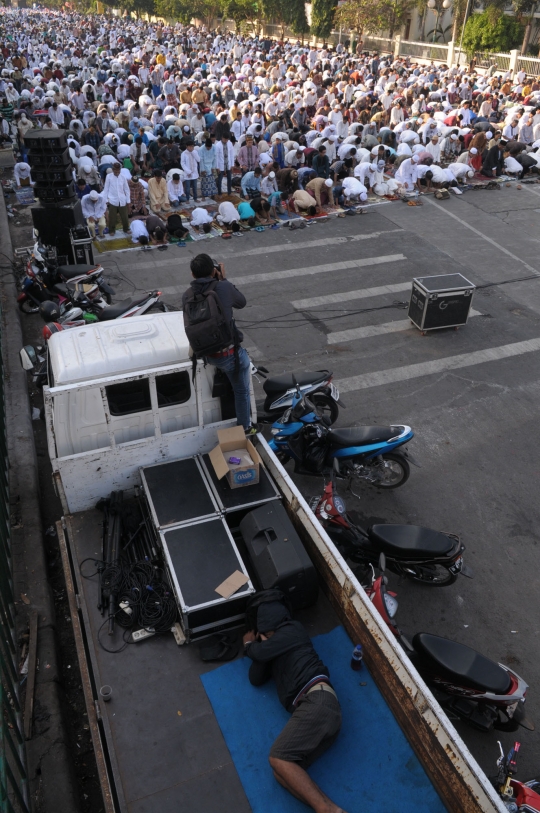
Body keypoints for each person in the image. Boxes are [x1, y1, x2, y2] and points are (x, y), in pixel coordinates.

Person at [244, 600, 344, 813]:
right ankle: (333, 809)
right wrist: (263, 644)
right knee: (281, 773)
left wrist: (250, 645)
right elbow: (255, 677)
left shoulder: (292, 630)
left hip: (318, 701)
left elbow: (258, 653)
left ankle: (325, 811)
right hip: (317, 712)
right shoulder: (275, 650)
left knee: (277, 757)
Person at [182, 254, 256, 435]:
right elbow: (242, 302)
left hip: (206, 353)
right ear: (214, 270)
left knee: (232, 372)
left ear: (193, 275)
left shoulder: (187, 295)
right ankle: (245, 427)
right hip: (228, 354)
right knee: (241, 391)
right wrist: (224, 279)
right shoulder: (223, 286)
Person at [103, 163, 131, 236]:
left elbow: (127, 189)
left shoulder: (123, 177)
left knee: (124, 216)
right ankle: (111, 230)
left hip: (122, 200)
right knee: (112, 217)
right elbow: (106, 189)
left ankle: (126, 228)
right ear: (113, 170)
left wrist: (128, 201)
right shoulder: (109, 177)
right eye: (116, 171)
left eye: (118, 171)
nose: (117, 172)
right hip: (112, 200)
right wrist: (105, 200)